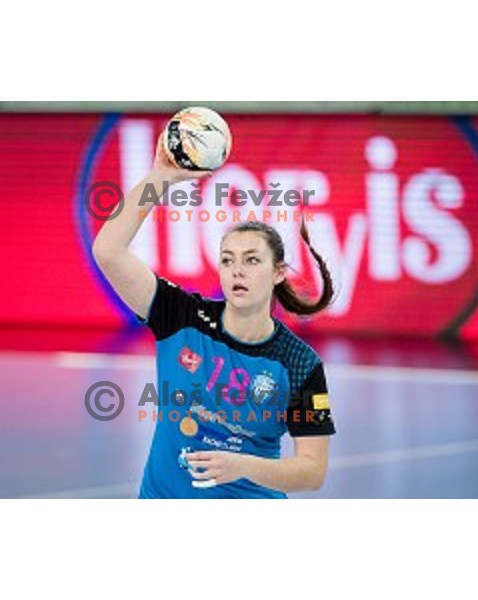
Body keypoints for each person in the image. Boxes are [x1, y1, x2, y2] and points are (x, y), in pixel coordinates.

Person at [92, 133, 336, 498]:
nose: (237, 270)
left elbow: (312, 471)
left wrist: (243, 466)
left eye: (252, 260)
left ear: (278, 272)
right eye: (227, 260)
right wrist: (160, 177)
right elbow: (108, 250)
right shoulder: (181, 316)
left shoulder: (299, 362)